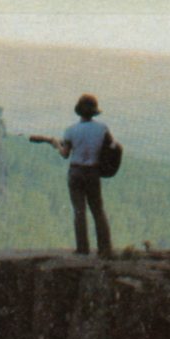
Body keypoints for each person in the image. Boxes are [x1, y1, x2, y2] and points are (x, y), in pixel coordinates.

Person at [57, 94, 113, 258]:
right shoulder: (102, 129)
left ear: (79, 111)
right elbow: (112, 147)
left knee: (79, 211)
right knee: (97, 210)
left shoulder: (71, 130)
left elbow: (65, 154)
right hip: (93, 171)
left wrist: (57, 145)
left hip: (76, 172)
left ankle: (82, 248)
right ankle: (104, 248)